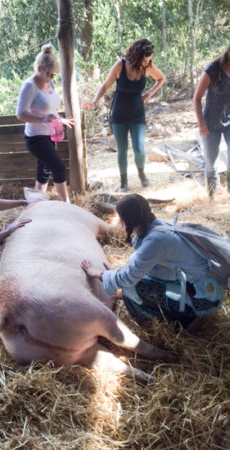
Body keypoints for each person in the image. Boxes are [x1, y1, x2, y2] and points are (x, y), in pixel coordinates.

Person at [81, 194, 225, 328]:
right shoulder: (155, 226)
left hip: (201, 301)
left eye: (121, 218)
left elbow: (128, 279)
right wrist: (115, 275)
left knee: (130, 289)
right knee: (140, 279)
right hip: (205, 291)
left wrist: (99, 274)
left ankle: (178, 322)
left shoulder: (155, 240)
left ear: (127, 220)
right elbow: (142, 267)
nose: (119, 222)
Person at [83, 39, 166, 192]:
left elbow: (162, 79)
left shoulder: (148, 66)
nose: (147, 63)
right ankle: (124, 181)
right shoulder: (120, 65)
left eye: (149, 60)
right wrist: (94, 101)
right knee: (122, 149)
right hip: (119, 114)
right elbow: (105, 85)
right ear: (136, 56)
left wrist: (148, 95)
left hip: (137, 114)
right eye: (145, 60)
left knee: (139, 149)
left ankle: (142, 174)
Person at [16, 43, 74, 202]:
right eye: (48, 74)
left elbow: (50, 107)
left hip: (50, 133)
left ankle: (36, 203)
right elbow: (20, 114)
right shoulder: (29, 86)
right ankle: (66, 205)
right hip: (35, 138)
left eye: (53, 75)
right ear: (39, 69)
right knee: (59, 168)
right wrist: (42, 119)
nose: (50, 78)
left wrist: (59, 119)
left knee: (44, 172)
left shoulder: (50, 82)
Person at [193, 44, 230, 198]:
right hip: (210, 123)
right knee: (211, 163)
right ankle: (211, 199)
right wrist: (201, 124)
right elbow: (196, 98)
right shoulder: (213, 70)